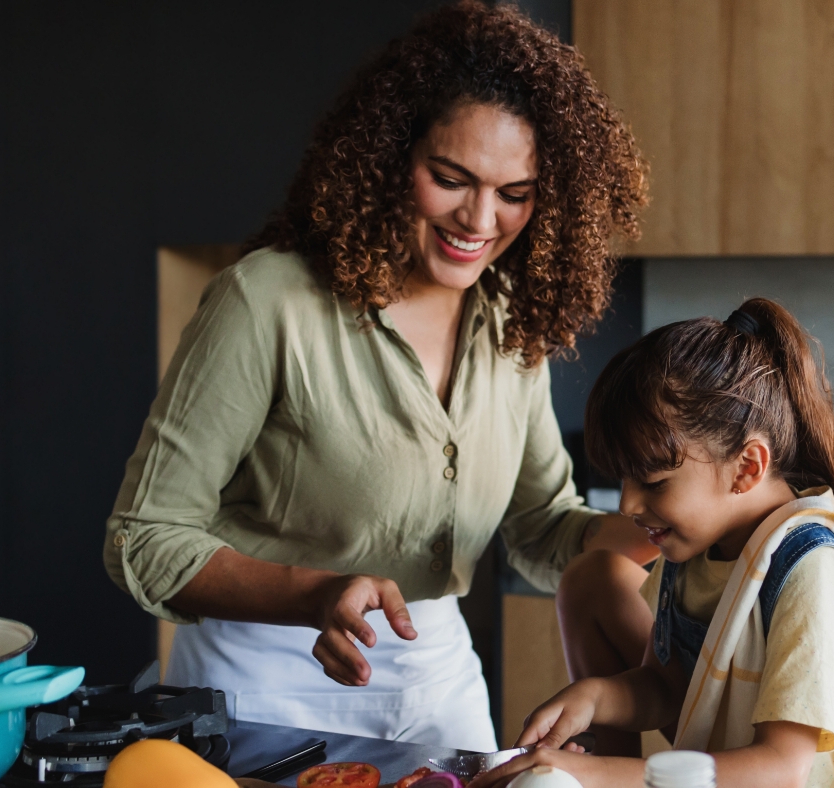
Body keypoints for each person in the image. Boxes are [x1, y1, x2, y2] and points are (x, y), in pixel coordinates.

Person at [101, 1, 655, 751]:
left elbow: (540, 529)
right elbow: (143, 538)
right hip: (264, 679)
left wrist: (670, 523)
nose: (480, 219)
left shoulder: (509, 320)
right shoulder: (267, 302)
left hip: (436, 677)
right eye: (450, 178)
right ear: (390, 156)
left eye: (514, 194)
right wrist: (313, 595)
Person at [473, 299, 834, 788]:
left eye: (652, 483)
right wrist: (594, 698)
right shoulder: (696, 544)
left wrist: (599, 775)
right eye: (624, 481)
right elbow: (667, 686)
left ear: (747, 467)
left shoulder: (810, 566)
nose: (629, 505)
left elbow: (782, 767)